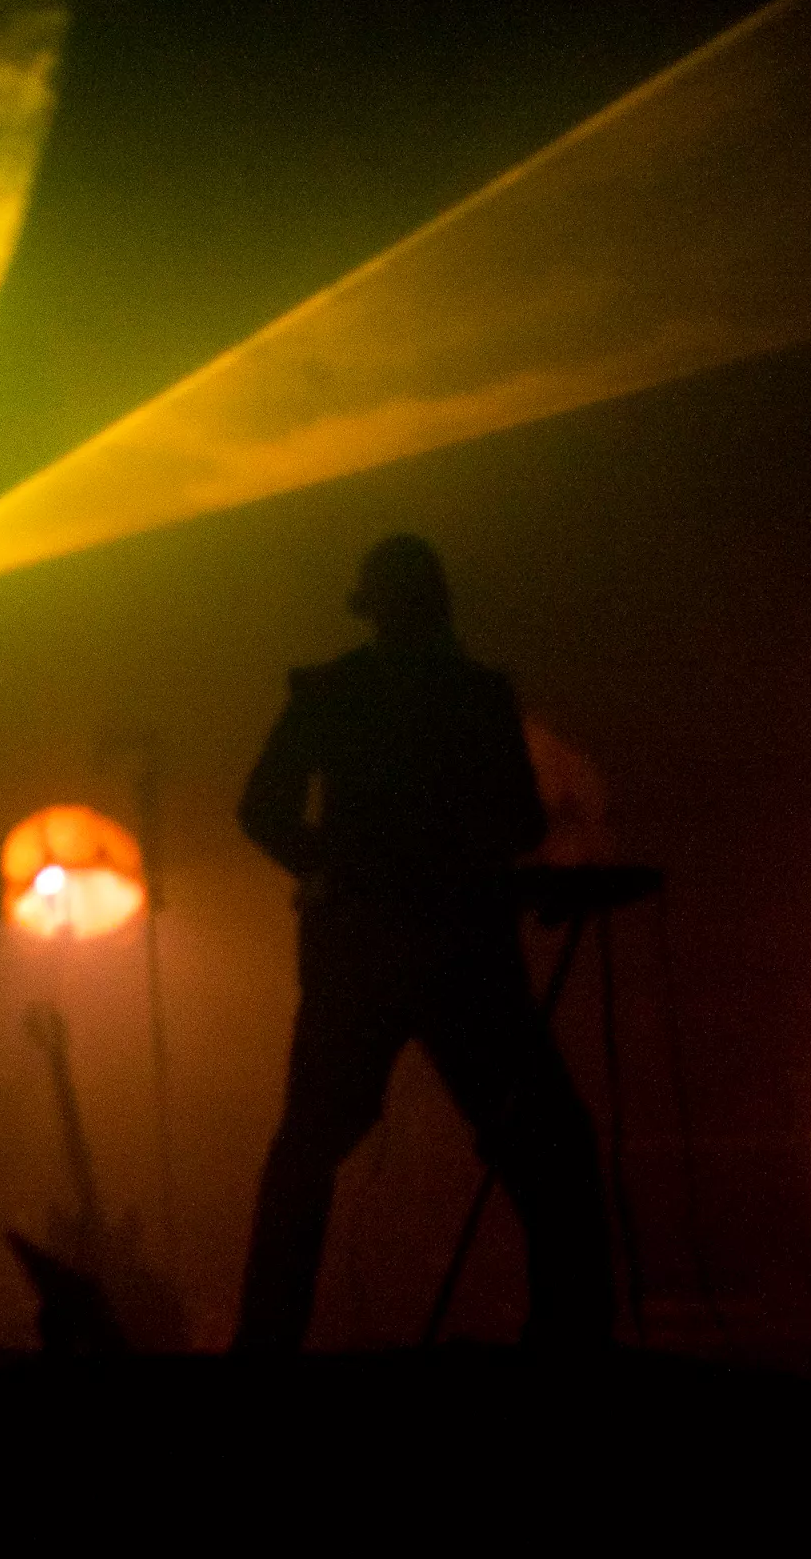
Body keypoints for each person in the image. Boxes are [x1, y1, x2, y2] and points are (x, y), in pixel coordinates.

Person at [231, 534, 611, 1353]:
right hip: (462, 950)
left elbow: (260, 808)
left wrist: (335, 867)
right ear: (440, 605)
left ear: (371, 609)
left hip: (357, 954)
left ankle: (265, 1344)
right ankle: (572, 1337)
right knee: (550, 1139)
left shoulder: (331, 691)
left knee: (307, 1149)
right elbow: (521, 824)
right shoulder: (476, 695)